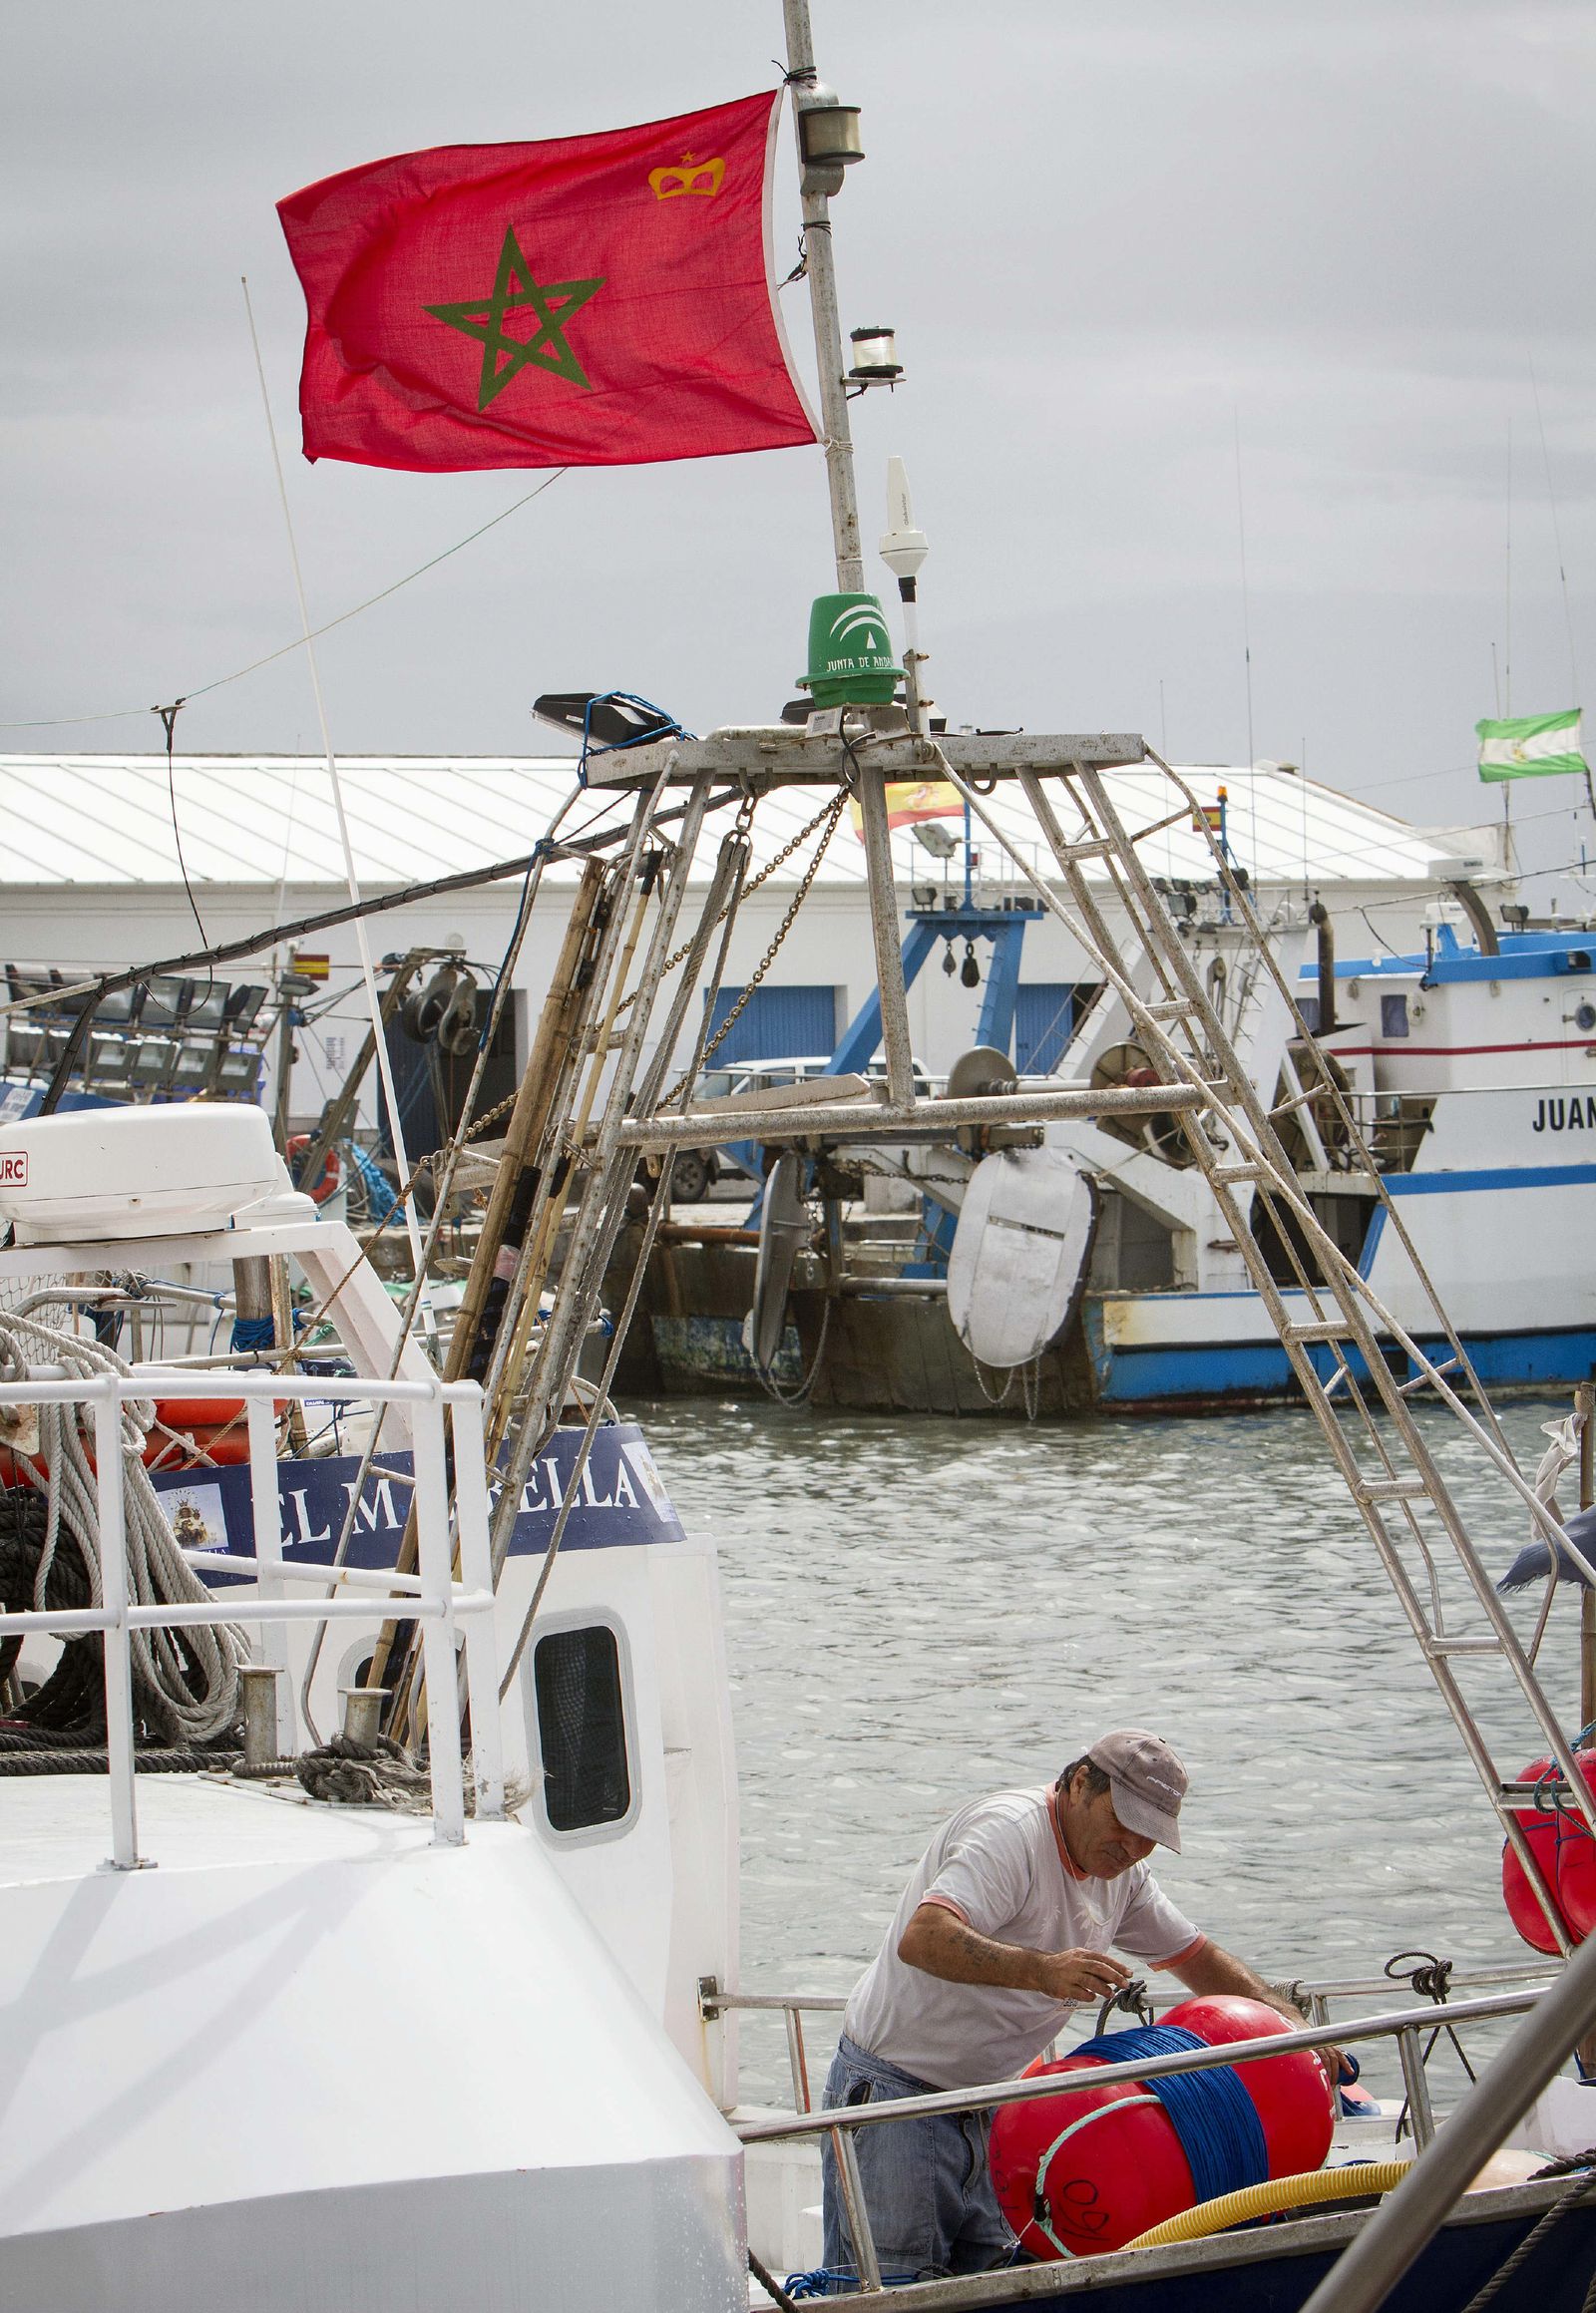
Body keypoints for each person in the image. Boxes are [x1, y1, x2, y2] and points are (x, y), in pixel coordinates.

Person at [820, 1730, 1312, 2283]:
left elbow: (1194, 1957)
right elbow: (924, 1937)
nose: (1132, 1847)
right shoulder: (1009, 1834)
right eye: (1124, 1823)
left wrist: (1289, 2029)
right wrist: (1042, 1970)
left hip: (999, 2104)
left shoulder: (1123, 1878)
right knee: (886, 2285)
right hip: (898, 2094)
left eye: (1150, 1835)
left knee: (995, 2284)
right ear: (1079, 1784)